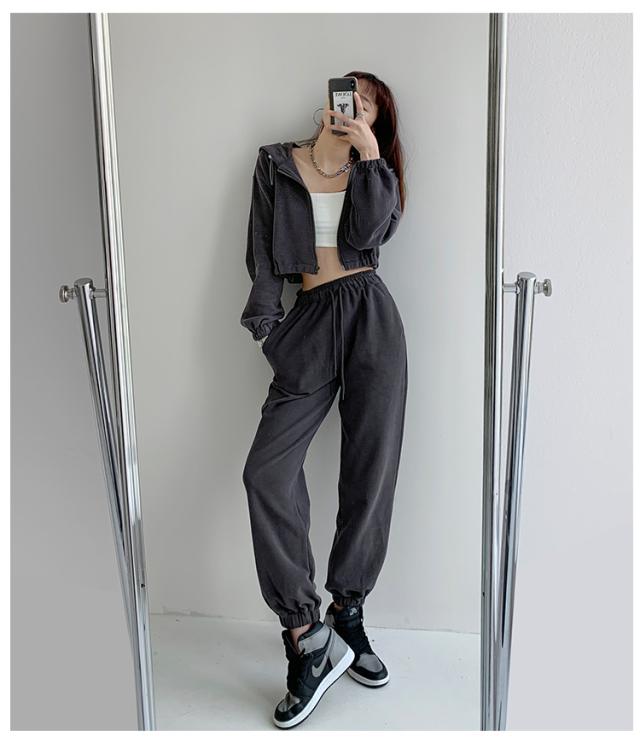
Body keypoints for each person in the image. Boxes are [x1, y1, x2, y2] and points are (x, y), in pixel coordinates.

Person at [240, 71, 408, 729]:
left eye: (367, 107)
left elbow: (371, 234)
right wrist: (267, 329)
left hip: (371, 317)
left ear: (375, 123)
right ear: (328, 100)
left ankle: (348, 612)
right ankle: (307, 633)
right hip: (308, 322)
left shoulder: (376, 173)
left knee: (370, 474)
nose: (354, 107)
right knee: (266, 474)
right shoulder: (277, 163)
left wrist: (370, 157)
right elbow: (263, 256)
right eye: (350, 95)